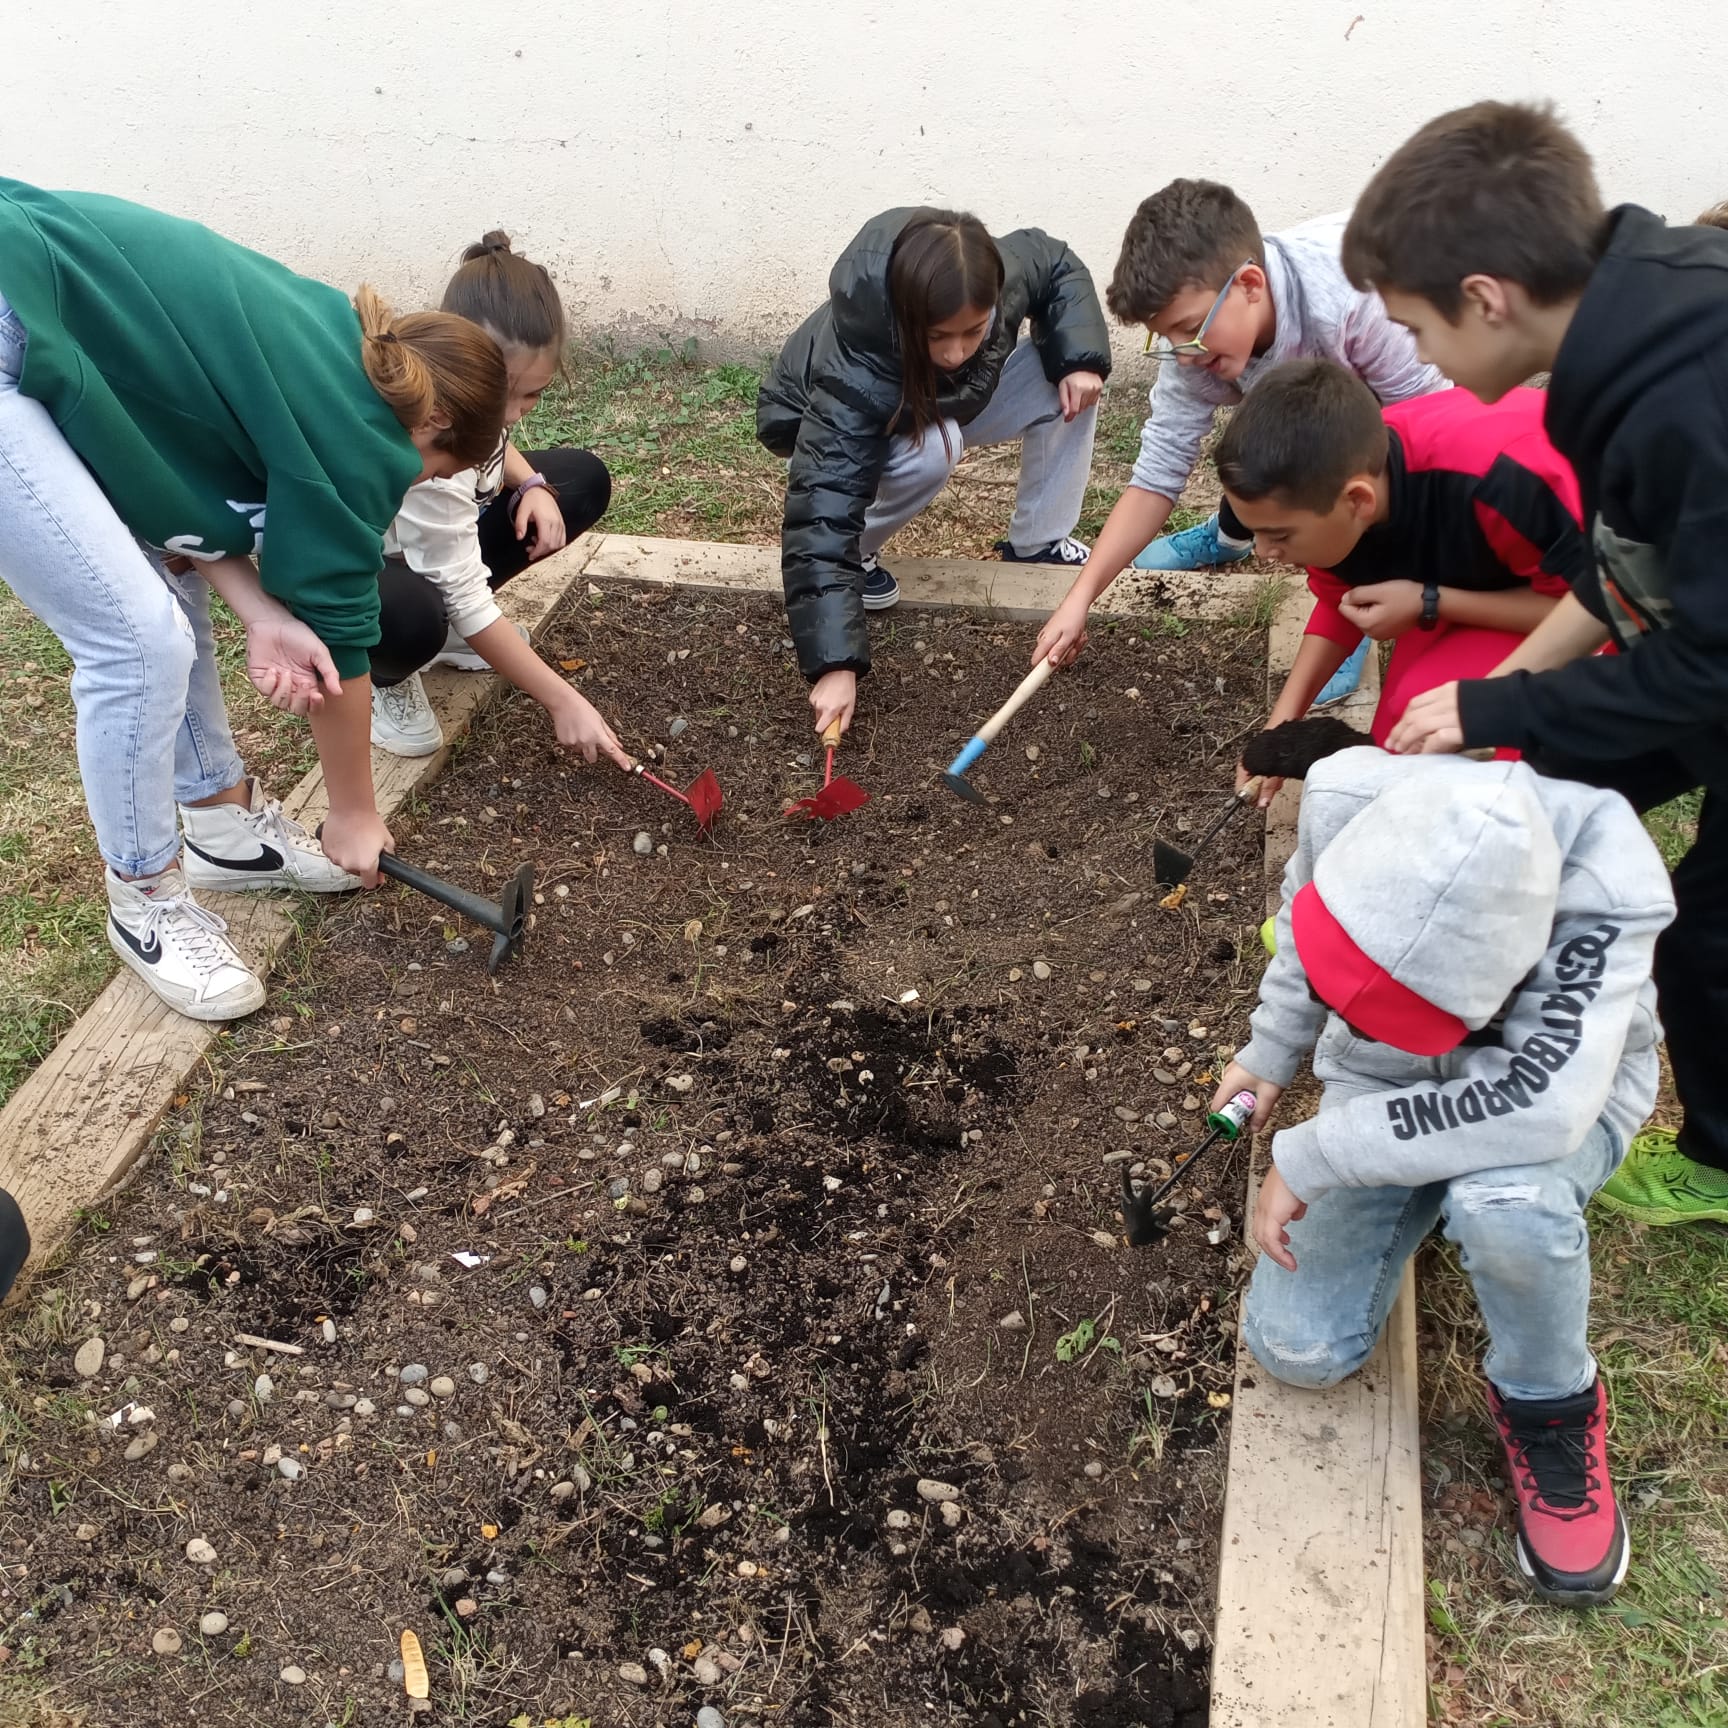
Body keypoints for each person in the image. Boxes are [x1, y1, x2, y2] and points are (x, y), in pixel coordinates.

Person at [1347, 101, 1728, 1228]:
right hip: (1710, 637)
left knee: (1708, 941)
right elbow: (1628, 564)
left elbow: (1708, 667)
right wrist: (1501, 702)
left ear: (1486, 297)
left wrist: (1498, 708)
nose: (1416, 358)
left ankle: (1718, 1161)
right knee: (1550, 779)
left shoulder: (1686, 400)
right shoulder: (1628, 326)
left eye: (1416, 330)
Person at [0, 178, 507, 1021]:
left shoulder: (336, 348)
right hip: (12, 308)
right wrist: (353, 815)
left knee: (166, 583)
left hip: (32, 296)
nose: (412, 485)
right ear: (433, 426)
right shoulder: (362, 437)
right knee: (138, 643)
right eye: (436, 473)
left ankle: (223, 831)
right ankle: (145, 900)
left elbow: (176, 499)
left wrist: (263, 613)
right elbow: (344, 641)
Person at [1216, 747, 1674, 1606]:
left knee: (1505, 1203)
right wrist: (1272, 1048)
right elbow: (1307, 920)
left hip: (1549, 1101)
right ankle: (1424, 1190)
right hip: (1391, 1082)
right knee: (1300, 1348)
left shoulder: (1606, 896)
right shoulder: (1347, 794)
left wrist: (1318, 1154)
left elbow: (1535, 1105)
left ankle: (1550, 1405)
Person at [1034, 180, 1447, 706]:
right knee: (1265, 437)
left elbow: (1427, 438)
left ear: (1250, 284)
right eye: (1167, 337)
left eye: (1189, 328)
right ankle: (1230, 535)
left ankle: (1352, 605)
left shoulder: (1355, 301)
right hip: (1302, 387)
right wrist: (1081, 598)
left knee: (1347, 473)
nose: (1183, 354)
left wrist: (1384, 575)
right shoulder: (1195, 349)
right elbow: (1157, 474)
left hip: (1401, 378)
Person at [756, 207, 1110, 737]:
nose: (956, 352)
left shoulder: (988, 275)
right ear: (906, 315)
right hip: (826, 419)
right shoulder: (853, 367)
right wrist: (835, 665)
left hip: (937, 399)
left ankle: (1039, 541)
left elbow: (1055, 261)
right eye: (938, 335)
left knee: (1067, 374)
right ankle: (861, 556)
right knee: (935, 447)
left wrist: (1080, 359)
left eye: (973, 331)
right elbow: (822, 512)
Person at [1216, 358, 1581, 802]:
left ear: (1358, 501)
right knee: (1397, 743)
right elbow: (1339, 600)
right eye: (1254, 532)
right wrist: (1280, 725)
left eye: (1279, 536)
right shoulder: (1327, 479)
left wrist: (1432, 603)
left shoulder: (1502, 480)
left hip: (1590, 598)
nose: (1263, 551)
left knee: (1441, 751)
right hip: (1475, 586)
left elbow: (1594, 611)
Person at [369, 233, 627, 767]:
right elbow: (462, 590)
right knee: (413, 615)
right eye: (502, 392)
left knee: (578, 480)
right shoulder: (429, 458)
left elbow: (498, 447)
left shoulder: (464, 405)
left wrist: (532, 485)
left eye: (531, 394)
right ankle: (386, 673)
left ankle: (452, 635)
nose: (509, 414)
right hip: (381, 576)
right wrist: (562, 699)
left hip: (438, 551)